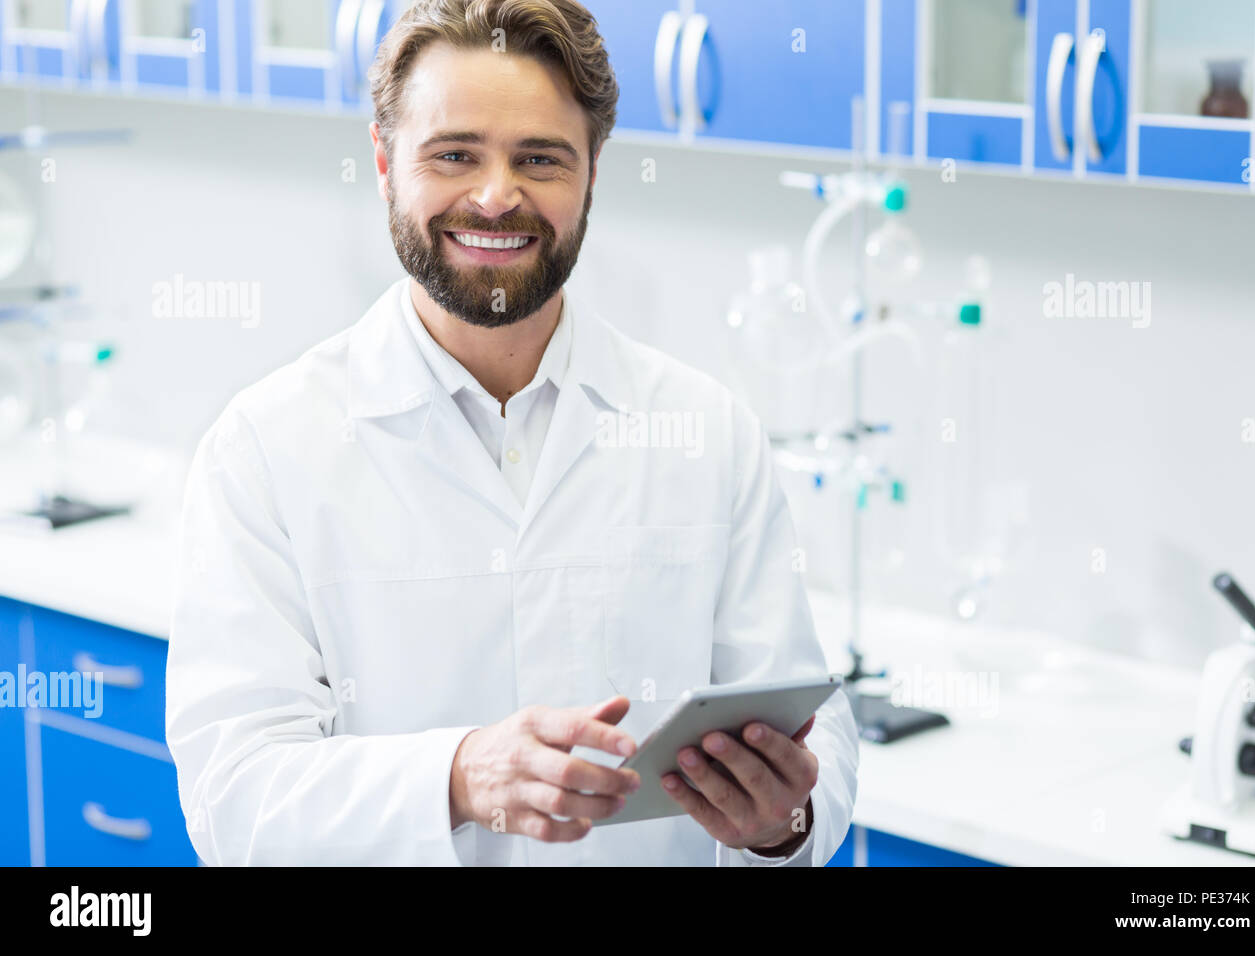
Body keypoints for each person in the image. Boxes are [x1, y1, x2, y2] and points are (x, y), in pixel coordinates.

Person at [165, 0, 858, 866]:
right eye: (455, 154)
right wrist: (456, 777)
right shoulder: (264, 449)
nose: (497, 195)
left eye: (540, 158)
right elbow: (233, 798)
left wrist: (780, 824)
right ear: (384, 164)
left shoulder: (706, 431)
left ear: (593, 174)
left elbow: (814, 735)